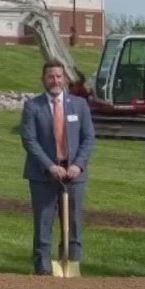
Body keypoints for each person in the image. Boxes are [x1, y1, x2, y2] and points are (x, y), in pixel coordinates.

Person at [20, 60, 94, 274]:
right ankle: (43, 269)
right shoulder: (33, 106)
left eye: (59, 76)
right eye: (51, 76)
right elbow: (29, 140)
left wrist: (78, 165)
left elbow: (88, 138)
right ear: (43, 79)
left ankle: (71, 265)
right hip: (44, 175)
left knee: (74, 223)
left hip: (74, 175)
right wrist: (51, 166)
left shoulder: (79, 105)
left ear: (65, 79)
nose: (55, 80)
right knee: (43, 223)